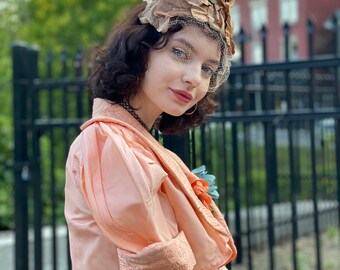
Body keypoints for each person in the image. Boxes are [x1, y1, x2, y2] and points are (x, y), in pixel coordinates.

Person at [64, 0, 237, 269]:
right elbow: (161, 262)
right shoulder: (109, 141)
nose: (195, 78)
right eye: (180, 52)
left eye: (207, 69)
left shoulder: (132, 139)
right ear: (141, 51)